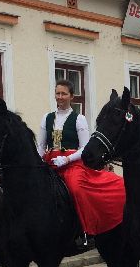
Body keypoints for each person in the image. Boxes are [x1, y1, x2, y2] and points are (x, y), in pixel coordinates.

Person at [38, 78, 124, 244]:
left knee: (76, 189)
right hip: (50, 163)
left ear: (72, 97)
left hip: (73, 164)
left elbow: (85, 147)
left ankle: (85, 230)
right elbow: (41, 146)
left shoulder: (79, 119)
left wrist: (67, 158)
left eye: (64, 94)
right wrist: (38, 161)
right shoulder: (46, 118)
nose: (60, 97)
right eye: (58, 93)